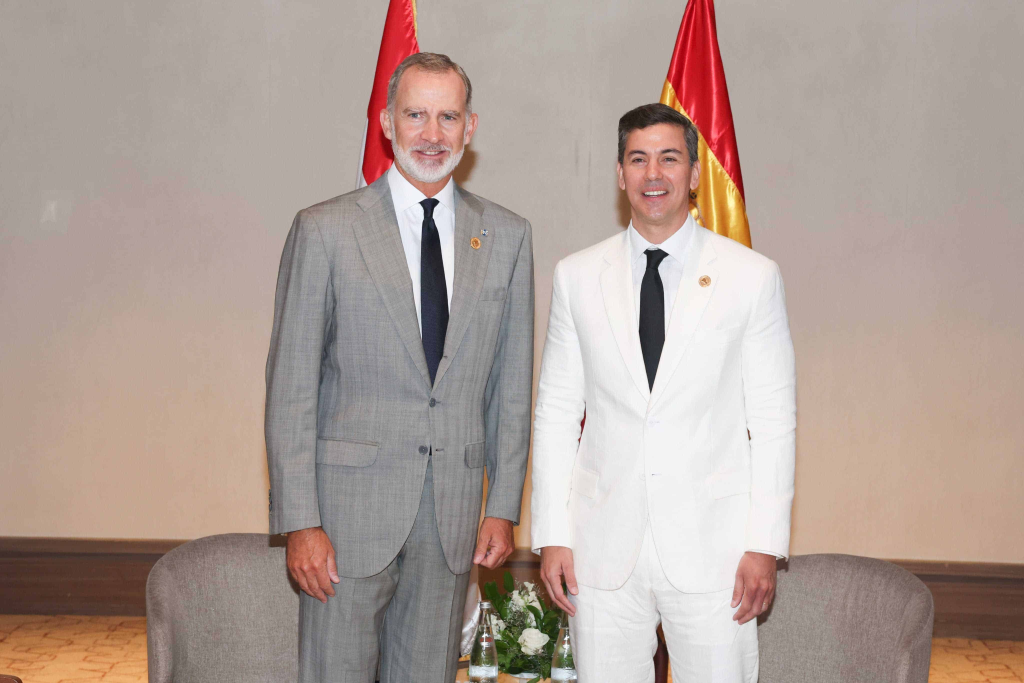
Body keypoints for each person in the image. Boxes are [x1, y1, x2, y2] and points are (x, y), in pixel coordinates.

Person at [265, 52, 534, 683]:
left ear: (470, 127)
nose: (432, 134)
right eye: (416, 115)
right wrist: (301, 522)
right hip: (343, 521)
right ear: (387, 123)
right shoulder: (325, 230)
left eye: (448, 117)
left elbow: (511, 388)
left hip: (453, 520)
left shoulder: (508, 236)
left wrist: (502, 505)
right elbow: (291, 389)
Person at [530, 103, 795, 682]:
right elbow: (555, 413)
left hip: (717, 552)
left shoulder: (752, 277)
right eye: (638, 159)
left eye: (669, 159)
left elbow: (774, 421)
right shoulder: (577, 276)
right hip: (600, 549)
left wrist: (765, 544)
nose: (653, 174)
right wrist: (551, 535)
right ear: (620, 173)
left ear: (695, 174)